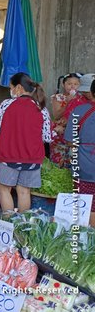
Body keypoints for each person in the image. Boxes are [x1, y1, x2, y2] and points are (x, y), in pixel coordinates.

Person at [0, 72, 53, 213]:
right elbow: (47, 137)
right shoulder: (41, 109)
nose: (10, 91)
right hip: (32, 158)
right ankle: (21, 226)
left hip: (8, 155)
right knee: (24, 192)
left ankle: (8, 223)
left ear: (18, 88)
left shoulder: (6, 105)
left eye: (11, 88)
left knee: (4, 190)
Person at [65, 78, 95, 226]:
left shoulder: (79, 111)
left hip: (85, 167)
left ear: (91, 92)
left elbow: (70, 140)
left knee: (88, 205)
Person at [50, 73, 82, 167]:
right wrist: (68, 101)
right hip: (60, 133)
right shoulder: (57, 97)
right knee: (58, 160)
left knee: (72, 160)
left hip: (75, 133)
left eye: (76, 84)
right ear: (63, 85)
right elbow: (56, 116)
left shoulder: (82, 99)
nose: (72, 86)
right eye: (69, 84)